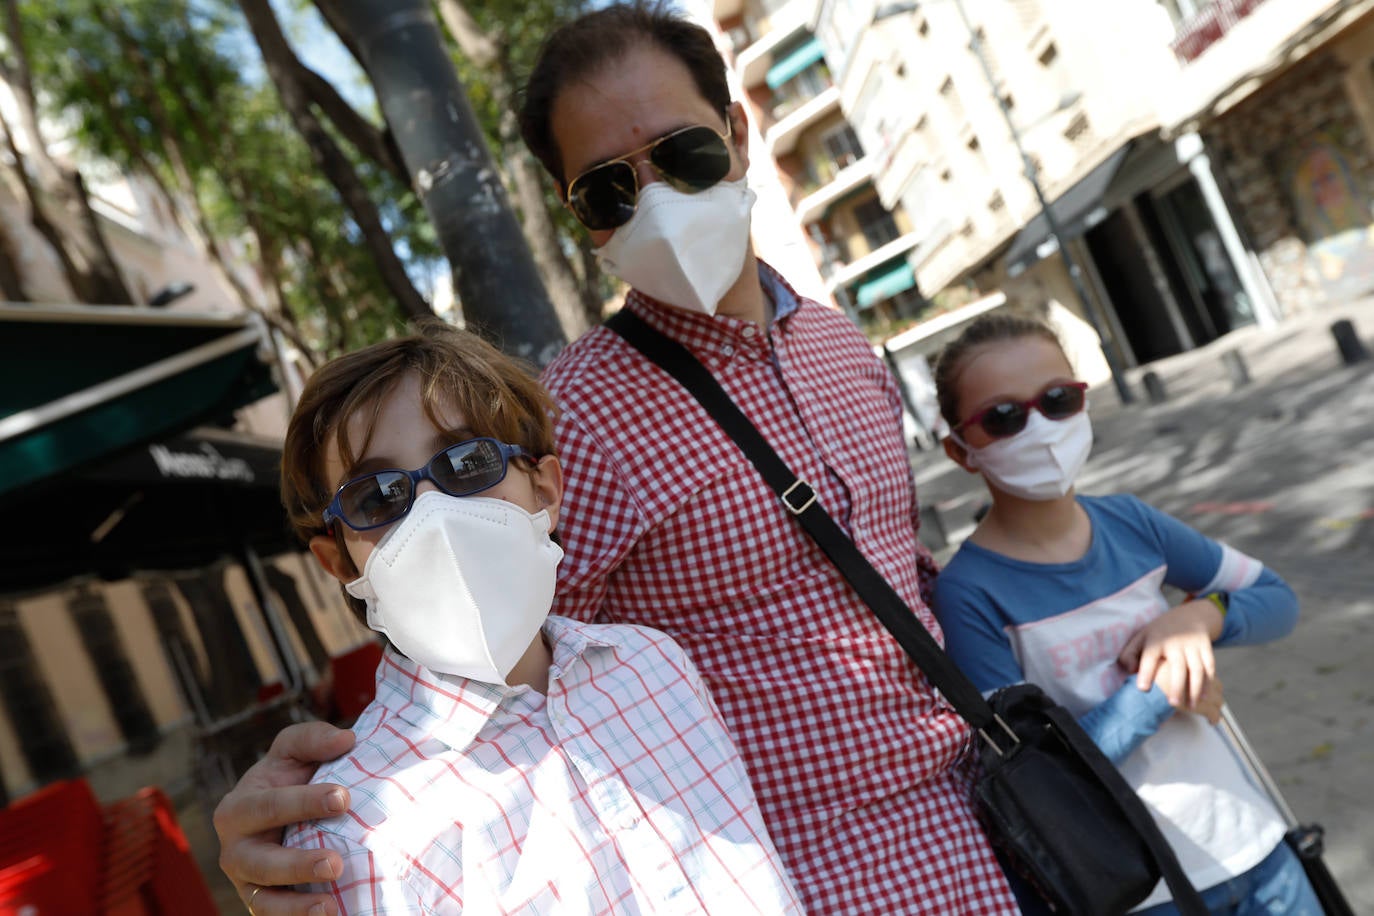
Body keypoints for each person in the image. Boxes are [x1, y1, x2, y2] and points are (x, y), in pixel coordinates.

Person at [213, 5, 1022, 914]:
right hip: (790, 873)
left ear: (739, 134)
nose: (658, 200)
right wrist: (335, 822)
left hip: (979, 831)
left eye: (683, 155)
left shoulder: (840, 344)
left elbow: (897, 570)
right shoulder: (573, 422)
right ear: (579, 220)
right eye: (608, 189)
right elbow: (501, 669)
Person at [271, 322, 802, 914]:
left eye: (467, 462)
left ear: (546, 490)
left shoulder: (656, 665)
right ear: (339, 561)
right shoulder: (352, 830)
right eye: (377, 496)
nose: (435, 512)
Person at [929, 312, 1322, 915]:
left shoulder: (1132, 523)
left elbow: (1278, 601)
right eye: (1003, 417)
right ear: (960, 450)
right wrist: (1156, 689)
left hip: (1259, 849)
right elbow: (1032, 777)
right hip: (1144, 894)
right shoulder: (968, 594)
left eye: (1058, 400)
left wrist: (1198, 620)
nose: (1039, 427)